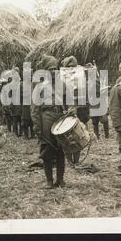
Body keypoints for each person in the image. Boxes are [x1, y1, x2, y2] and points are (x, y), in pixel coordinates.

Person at [31, 55, 77, 189]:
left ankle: (60, 180)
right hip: (46, 117)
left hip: (60, 118)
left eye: (55, 69)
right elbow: (34, 109)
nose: (53, 71)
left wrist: (72, 110)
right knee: (47, 149)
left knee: (61, 148)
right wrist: (37, 126)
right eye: (50, 69)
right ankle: (49, 180)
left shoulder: (62, 85)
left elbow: (70, 102)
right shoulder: (39, 87)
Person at [61, 55, 89, 164]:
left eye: (73, 67)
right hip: (65, 113)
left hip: (79, 113)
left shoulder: (81, 80)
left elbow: (85, 99)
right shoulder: (61, 81)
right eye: (69, 67)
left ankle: (76, 160)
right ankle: (69, 160)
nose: (71, 69)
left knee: (78, 137)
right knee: (66, 137)